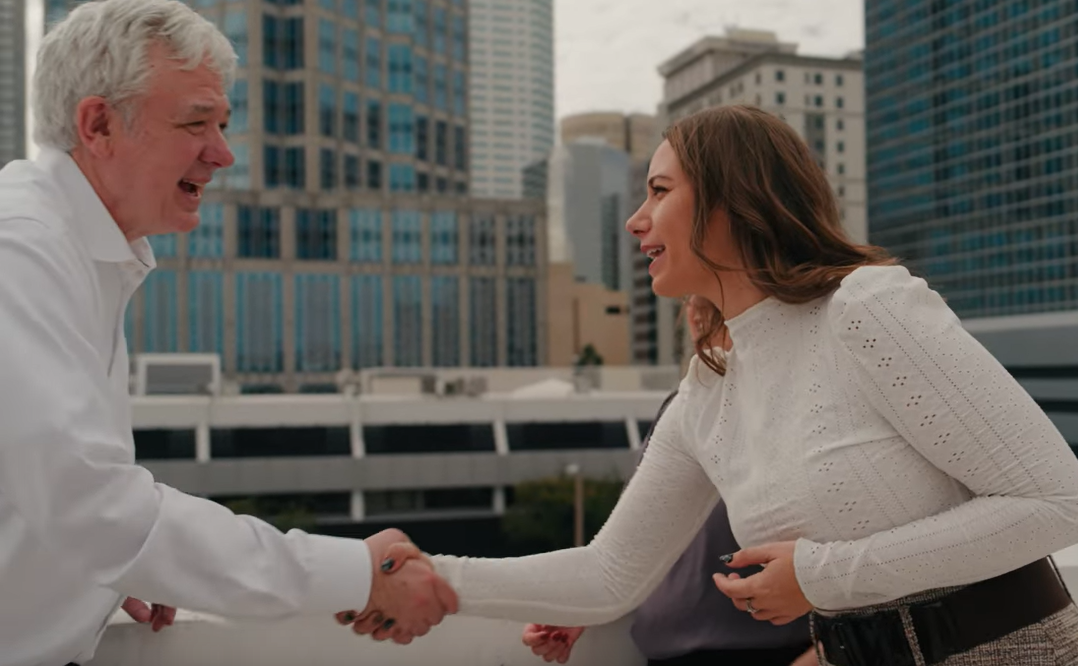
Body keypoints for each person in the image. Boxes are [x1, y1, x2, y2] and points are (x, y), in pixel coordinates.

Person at [351, 105, 1078, 666]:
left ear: (732, 201)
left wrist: (822, 575)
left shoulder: (866, 308)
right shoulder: (707, 389)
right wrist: (428, 575)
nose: (635, 220)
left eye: (659, 191)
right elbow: (609, 573)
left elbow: (1056, 501)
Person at [0, 2, 454, 665]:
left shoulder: (74, 249)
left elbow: (45, 496)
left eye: (222, 124)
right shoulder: (20, 252)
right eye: (195, 123)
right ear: (98, 125)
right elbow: (87, 503)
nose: (223, 153)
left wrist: (100, 580)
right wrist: (354, 574)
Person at [522, 297, 814, 666]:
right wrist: (588, 608)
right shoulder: (683, 408)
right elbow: (634, 548)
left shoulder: (802, 409)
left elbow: (860, 565)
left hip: (772, 651)